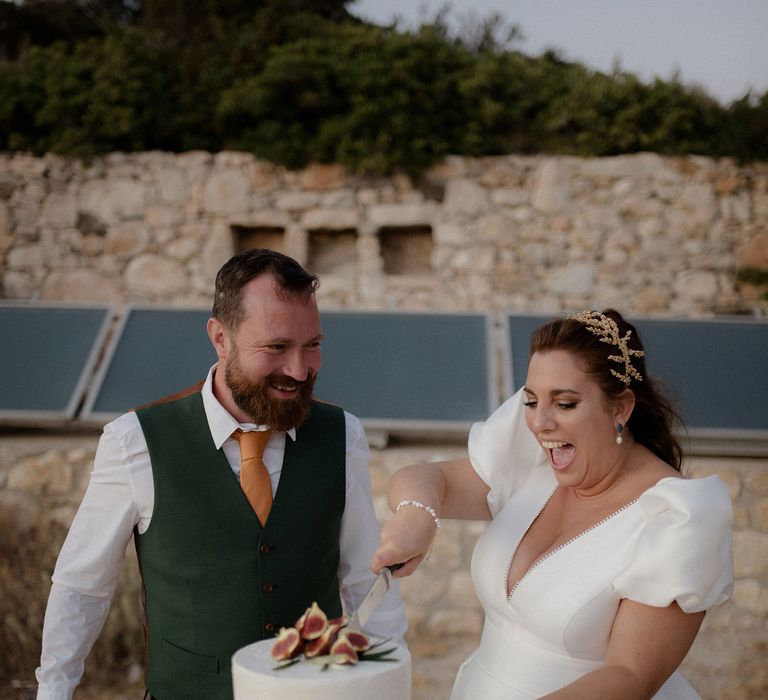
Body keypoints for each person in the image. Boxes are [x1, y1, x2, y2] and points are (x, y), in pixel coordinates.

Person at [36, 248, 407, 700]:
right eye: (276, 347)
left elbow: (363, 577)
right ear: (220, 337)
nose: (299, 369)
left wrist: (389, 683)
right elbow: (83, 585)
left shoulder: (343, 435)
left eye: (312, 345)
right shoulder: (134, 442)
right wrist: (55, 689)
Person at [374, 308, 733, 699]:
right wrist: (418, 514)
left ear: (621, 408)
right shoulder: (535, 462)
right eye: (531, 401)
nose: (540, 423)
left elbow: (630, 677)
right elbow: (430, 478)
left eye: (564, 404)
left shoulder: (676, 518)